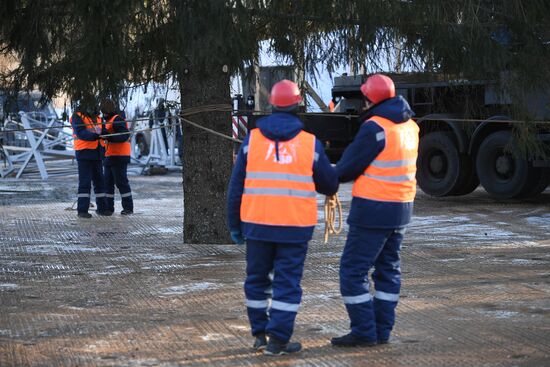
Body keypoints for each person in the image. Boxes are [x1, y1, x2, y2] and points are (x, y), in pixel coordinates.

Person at [227, 80, 338, 356]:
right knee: (287, 284)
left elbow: (235, 187)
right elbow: (329, 184)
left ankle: (260, 336)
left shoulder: (252, 140)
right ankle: (278, 339)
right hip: (294, 228)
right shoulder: (309, 143)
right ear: (299, 105)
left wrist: (234, 225)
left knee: (256, 281)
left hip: (257, 225)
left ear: (272, 105)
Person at [331, 74, 419, 347]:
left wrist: (326, 173)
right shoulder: (411, 126)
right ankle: (382, 330)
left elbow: (346, 169)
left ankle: (364, 331)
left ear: (369, 100)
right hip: (401, 209)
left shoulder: (375, 128)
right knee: (388, 271)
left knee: (352, 272)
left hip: (373, 211)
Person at [70, 93, 109, 218]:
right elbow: (81, 133)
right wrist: (95, 135)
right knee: (85, 182)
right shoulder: (77, 116)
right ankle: (82, 210)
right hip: (84, 152)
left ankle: (103, 208)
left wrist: (105, 133)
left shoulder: (98, 117)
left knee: (100, 182)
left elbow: (102, 130)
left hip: (97, 153)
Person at [100, 98, 134, 215]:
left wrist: (109, 136)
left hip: (119, 156)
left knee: (121, 182)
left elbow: (123, 136)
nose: (102, 114)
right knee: (107, 183)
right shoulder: (108, 120)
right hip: (110, 156)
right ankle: (109, 208)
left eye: (104, 112)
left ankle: (128, 208)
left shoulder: (117, 119)